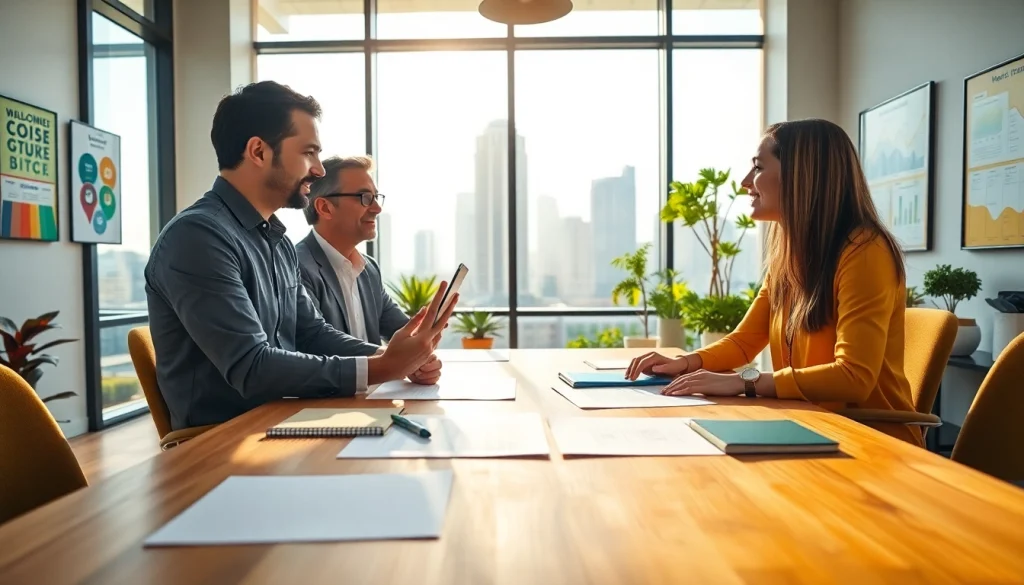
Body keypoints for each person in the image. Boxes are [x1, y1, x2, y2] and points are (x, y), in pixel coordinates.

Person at [144, 81, 457, 431]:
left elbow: (312, 333)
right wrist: (383, 368)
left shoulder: (276, 240)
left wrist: (393, 357)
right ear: (259, 152)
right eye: (309, 152)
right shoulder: (198, 237)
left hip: (284, 421)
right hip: (223, 441)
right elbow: (252, 367)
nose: (319, 169)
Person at [626, 118, 922, 447]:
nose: (744, 182)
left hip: (871, 441)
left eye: (757, 168)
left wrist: (745, 382)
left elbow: (854, 377)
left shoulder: (865, 252)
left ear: (801, 175)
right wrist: (685, 364)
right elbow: (744, 341)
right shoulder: (789, 254)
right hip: (811, 428)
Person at [295, 155, 441, 385]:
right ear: (324, 207)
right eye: (364, 197)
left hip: (373, 401)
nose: (377, 208)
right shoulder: (296, 266)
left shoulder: (369, 268)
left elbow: (400, 331)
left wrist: (423, 350)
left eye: (376, 197)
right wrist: (393, 360)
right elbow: (316, 340)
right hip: (326, 406)